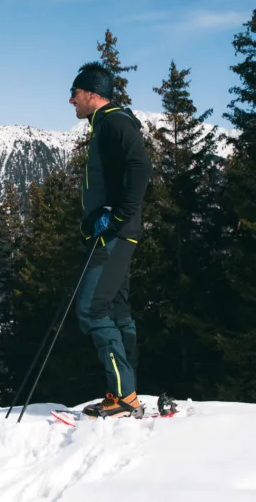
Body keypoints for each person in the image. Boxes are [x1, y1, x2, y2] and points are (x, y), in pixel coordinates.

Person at [68, 62, 152, 418]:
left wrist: (117, 217)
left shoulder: (115, 122)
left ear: (91, 93)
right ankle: (126, 391)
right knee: (117, 310)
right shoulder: (104, 124)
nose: (71, 100)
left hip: (116, 234)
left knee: (91, 308)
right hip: (112, 232)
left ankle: (124, 395)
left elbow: (140, 167)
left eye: (74, 94)